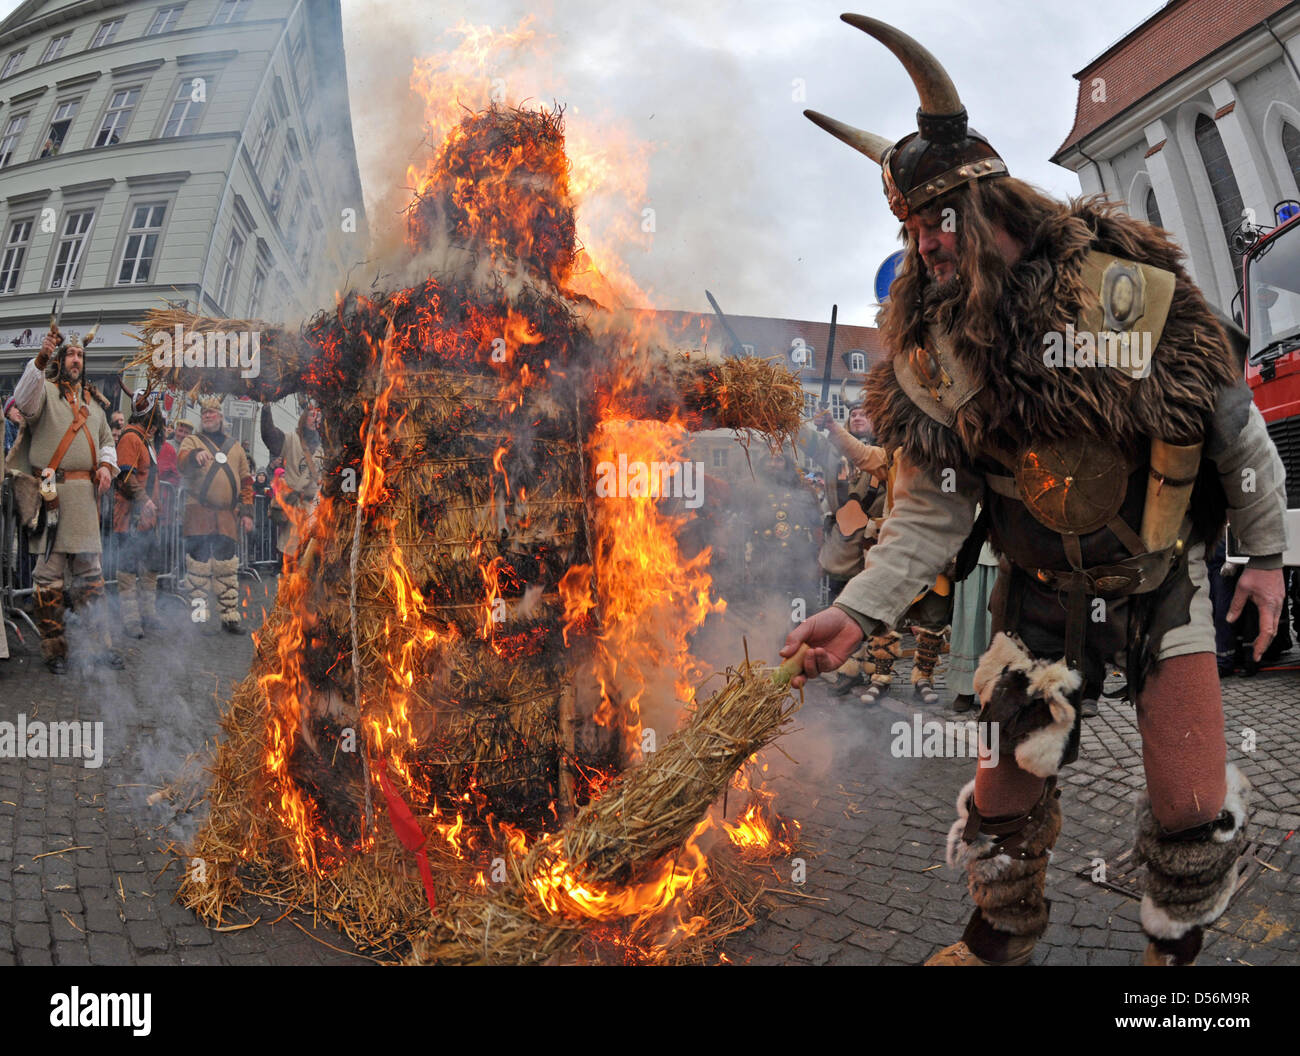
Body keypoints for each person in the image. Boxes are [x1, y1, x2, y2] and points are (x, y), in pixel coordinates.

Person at [789, 15, 1287, 966]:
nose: (925, 244)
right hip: (1039, 601)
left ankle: (1174, 963)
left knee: (1190, 808)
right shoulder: (931, 349)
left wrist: (1264, 558)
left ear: (988, 202)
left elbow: (1234, 426)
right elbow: (930, 506)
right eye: (907, 226)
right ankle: (997, 939)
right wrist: (857, 612)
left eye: (936, 220)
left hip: (1159, 581)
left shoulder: (1124, 291)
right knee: (1007, 791)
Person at [8, 327, 122, 673]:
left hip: (85, 501)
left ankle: (98, 647)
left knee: (91, 580)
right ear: (61, 359)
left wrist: (105, 466)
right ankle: (55, 650)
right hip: (51, 498)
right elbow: (22, 400)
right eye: (71, 354)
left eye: (81, 355)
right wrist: (40, 359)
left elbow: (107, 443)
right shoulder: (44, 393)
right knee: (49, 582)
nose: (76, 360)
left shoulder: (95, 406)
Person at [810, 402, 888, 695]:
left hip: (872, 540)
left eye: (863, 414)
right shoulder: (833, 450)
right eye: (853, 414)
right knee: (838, 604)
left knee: (869, 608)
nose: (857, 418)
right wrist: (820, 424)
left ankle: (874, 672)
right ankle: (844, 664)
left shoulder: (885, 451)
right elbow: (806, 443)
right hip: (841, 541)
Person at [179, 396, 253, 633]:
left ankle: (229, 617)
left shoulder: (236, 447)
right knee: (198, 569)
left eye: (212, 413)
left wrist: (248, 512)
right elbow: (182, 462)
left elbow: (246, 482)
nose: (207, 416)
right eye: (204, 413)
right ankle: (199, 617)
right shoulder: (192, 441)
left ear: (221, 417)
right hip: (198, 512)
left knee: (226, 569)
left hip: (226, 517)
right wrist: (194, 456)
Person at [112, 389, 164, 638]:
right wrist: (144, 500)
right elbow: (125, 476)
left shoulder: (146, 440)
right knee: (128, 568)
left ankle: (148, 614)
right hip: (131, 516)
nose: (156, 427)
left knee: (151, 565)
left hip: (147, 518)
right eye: (154, 422)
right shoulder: (130, 438)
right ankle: (131, 620)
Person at [260, 399, 323, 557]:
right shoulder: (291, 439)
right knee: (292, 560)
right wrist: (266, 408)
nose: (315, 419)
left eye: (318, 416)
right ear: (303, 418)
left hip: (318, 511)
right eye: (311, 415)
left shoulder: (326, 447)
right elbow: (270, 437)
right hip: (295, 508)